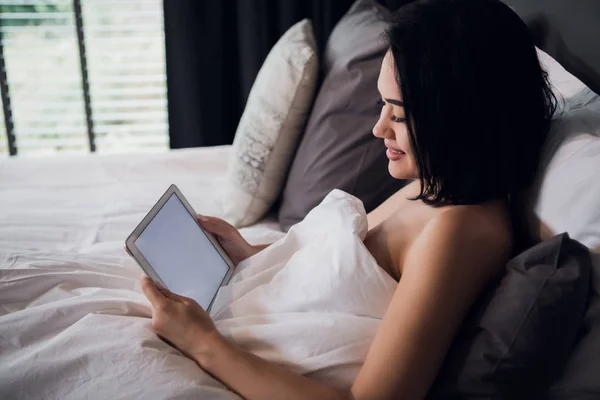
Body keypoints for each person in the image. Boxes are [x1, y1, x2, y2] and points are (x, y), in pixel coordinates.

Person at [140, 0, 557, 398]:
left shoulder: (460, 231)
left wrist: (202, 342)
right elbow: (347, 263)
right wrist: (252, 255)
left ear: (460, 115)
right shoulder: (435, 184)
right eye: (383, 105)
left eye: (399, 113)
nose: (379, 129)